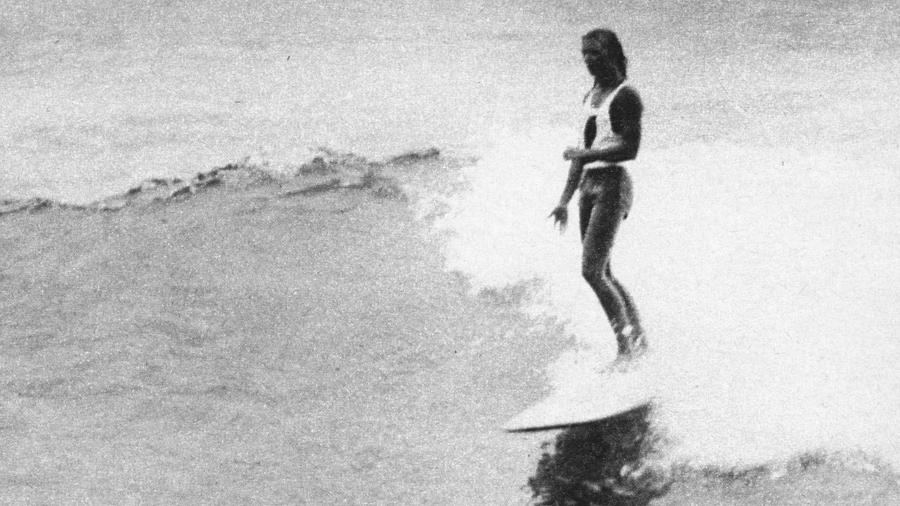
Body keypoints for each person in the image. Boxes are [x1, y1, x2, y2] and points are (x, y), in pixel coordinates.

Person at [549, 28, 646, 357]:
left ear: (612, 54)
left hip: (613, 184)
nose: (589, 59)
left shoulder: (626, 96)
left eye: (596, 53)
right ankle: (639, 342)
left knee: (591, 271)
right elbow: (581, 153)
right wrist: (564, 200)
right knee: (603, 272)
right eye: (585, 54)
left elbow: (630, 148)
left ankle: (626, 351)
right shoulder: (590, 96)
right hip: (588, 185)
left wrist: (585, 154)